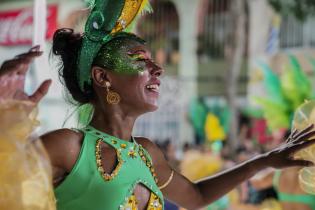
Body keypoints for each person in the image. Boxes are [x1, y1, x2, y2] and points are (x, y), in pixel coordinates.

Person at [1, 1, 315, 210]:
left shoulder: (147, 153)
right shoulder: (68, 146)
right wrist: (5, 119)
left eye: (154, 61)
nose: (158, 69)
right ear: (103, 77)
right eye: (140, 60)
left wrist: (264, 161)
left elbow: (195, 198)